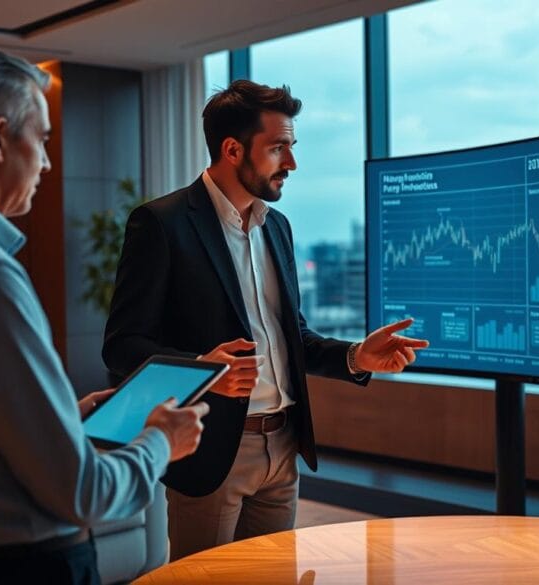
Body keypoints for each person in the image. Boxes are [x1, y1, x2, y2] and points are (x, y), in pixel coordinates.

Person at [0, 47, 209, 585]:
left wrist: (64, 415)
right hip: (25, 568)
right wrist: (163, 440)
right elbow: (81, 493)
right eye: (43, 140)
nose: (47, 162)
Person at [102, 79, 429, 559]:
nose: (291, 164)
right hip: (212, 452)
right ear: (232, 150)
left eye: (291, 147)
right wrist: (202, 371)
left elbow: (289, 336)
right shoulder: (162, 223)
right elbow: (122, 345)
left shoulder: (277, 227)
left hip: (284, 446)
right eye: (278, 149)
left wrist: (357, 356)